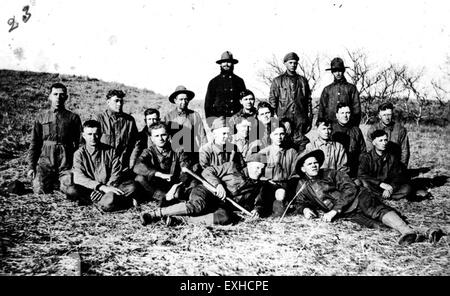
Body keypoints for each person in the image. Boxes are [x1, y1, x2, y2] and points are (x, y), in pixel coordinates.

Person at [291, 150, 441, 245]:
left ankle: (408, 232)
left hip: (359, 198)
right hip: (349, 214)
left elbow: (350, 188)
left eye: (316, 162)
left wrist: (334, 211)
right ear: (303, 168)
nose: (314, 165)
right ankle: (425, 231)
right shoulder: (302, 185)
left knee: (377, 212)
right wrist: (304, 209)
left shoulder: (331, 173)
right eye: (309, 164)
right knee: (379, 227)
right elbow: (299, 202)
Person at [140, 153, 268, 226]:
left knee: (225, 218)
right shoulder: (232, 167)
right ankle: (154, 214)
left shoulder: (260, 185)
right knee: (197, 206)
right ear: (249, 165)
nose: (259, 171)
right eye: (256, 167)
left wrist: (257, 210)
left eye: (262, 169)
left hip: (222, 204)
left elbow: (260, 202)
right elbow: (208, 171)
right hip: (206, 191)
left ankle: (180, 220)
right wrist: (218, 185)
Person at [66, 120, 137, 212]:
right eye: (89, 134)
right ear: (83, 135)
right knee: (71, 190)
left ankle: (101, 201)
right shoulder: (79, 154)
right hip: (90, 189)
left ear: (101, 134)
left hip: (110, 187)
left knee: (132, 186)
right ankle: (113, 202)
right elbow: (79, 177)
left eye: (96, 134)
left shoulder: (111, 151)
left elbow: (116, 173)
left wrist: (106, 188)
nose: (93, 137)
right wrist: (100, 187)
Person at [27, 82, 82, 194]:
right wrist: (31, 167)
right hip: (46, 164)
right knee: (39, 190)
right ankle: (51, 182)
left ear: (66, 97)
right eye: (55, 94)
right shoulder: (41, 117)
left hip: (66, 164)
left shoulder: (73, 118)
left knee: (71, 191)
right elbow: (35, 144)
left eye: (61, 94)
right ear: (50, 96)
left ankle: (61, 183)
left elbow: (79, 144)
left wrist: (78, 167)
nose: (58, 97)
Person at [133, 122, 195, 206]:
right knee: (139, 178)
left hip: (175, 183)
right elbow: (137, 166)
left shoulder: (179, 150)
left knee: (191, 185)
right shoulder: (148, 151)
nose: (160, 139)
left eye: (163, 135)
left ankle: (171, 197)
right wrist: (159, 174)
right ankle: (163, 197)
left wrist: (176, 186)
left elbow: (186, 170)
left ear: (169, 136)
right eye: (157, 136)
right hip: (157, 186)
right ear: (152, 139)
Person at [357, 130, 413, 200]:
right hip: (374, 185)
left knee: (407, 188)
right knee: (363, 183)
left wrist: (390, 187)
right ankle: (382, 196)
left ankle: (380, 196)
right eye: (380, 141)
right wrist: (380, 184)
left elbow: (398, 175)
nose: (384, 143)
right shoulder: (366, 157)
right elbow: (361, 174)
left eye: (385, 140)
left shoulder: (392, 157)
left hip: (388, 186)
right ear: (374, 143)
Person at [258, 125, 299, 216]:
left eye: (282, 134)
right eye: (276, 134)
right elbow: (259, 174)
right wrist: (267, 181)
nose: (279, 137)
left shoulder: (292, 152)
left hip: (285, 186)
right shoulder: (264, 153)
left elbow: (295, 173)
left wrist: (287, 185)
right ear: (271, 135)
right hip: (268, 186)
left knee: (280, 210)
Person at [269, 52, 312, 136]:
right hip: (283, 122)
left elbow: (308, 101)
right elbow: (272, 102)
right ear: (285, 63)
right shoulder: (277, 81)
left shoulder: (303, 81)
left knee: (301, 145)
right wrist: (277, 122)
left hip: (300, 122)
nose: (293, 65)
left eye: (295, 63)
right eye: (290, 63)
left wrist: (309, 120)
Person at [96, 89, 139, 171]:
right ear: (108, 102)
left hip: (124, 165)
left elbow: (136, 143)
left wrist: (132, 161)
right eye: (116, 101)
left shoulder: (129, 120)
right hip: (103, 165)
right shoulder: (99, 119)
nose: (119, 104)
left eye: (121, 101)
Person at [163, 85, 207, 164]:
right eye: (181, 99)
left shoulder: (194, 115)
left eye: (186, 99)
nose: (183, 102)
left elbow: (202, 136)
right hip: (174, 153)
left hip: (192, 152)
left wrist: (205, 153)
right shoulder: (169, 116)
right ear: (175, 100)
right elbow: (165, 136)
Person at [204, 51, 246, 125]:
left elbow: (244, 101)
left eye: (229, 62)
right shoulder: (213, 82)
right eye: (224, 62)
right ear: (220, 64)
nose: (226, 64)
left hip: (237, 121)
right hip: (220, 122)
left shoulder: (239, 81)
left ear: (233, 64)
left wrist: (242, 118)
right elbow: (208, 105)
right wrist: (211, 122)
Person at [318, 57, 361, 126]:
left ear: (343, 71)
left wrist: (354, 126)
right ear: (332, 72)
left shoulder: (351, 88)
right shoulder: (327, 89)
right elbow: (321, 109)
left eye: (340, 71)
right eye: (335, 71)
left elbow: (356, 109)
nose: (337, 73)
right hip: (331, 126)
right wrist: (321, 123)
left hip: (348, 126)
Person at [366, 102, 410, 167]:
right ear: (379, 116)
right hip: (377, 166)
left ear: (392, 114)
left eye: (389, 114)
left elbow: (405, 151)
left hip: (395, 167)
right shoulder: (373, 129)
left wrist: (402, 168)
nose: (387, 117)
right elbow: (370, 150)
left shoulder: (400, 130)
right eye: (384, 115)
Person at [331, 103, 366, 177]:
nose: (345, 115)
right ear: (337, 115)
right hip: (336, 170)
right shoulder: (331, 131)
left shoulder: (356, 130)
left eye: (347, 113)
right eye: (342, 113)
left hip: (355, 169)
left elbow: (363, 152)